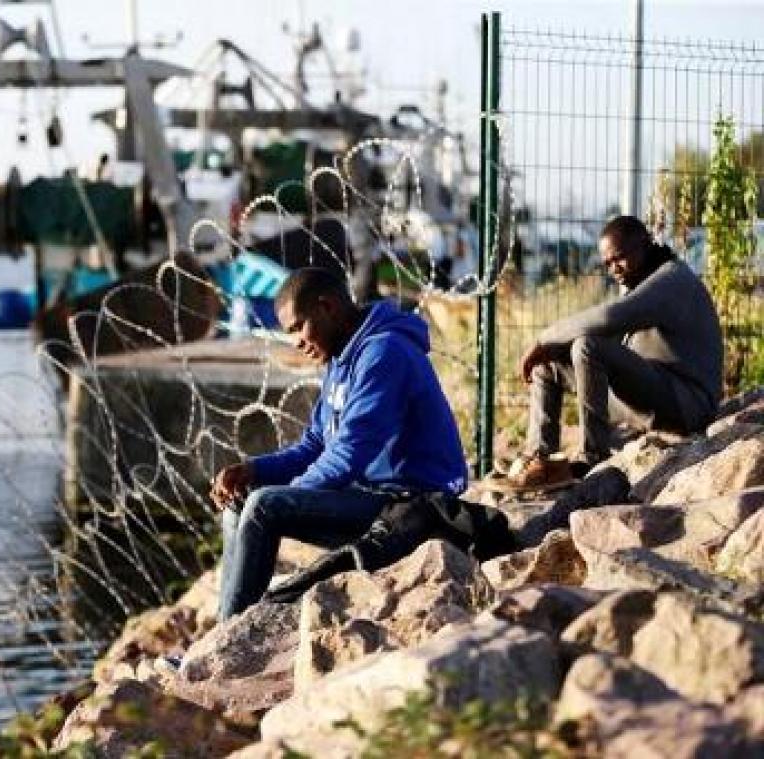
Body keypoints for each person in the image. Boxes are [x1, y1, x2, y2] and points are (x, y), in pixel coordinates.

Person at [209, 267, 470, 620]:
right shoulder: (341, 357)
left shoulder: (383, 353)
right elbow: (316, 444)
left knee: (263, 507)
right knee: (241, 504)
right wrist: (254, 471)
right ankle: (225, 625)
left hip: (412, 507)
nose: (296, 342)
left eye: (298, 327)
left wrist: (286, 496)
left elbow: (349, 454)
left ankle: (227, 639)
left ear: (327, 307)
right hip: (371, 497)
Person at [505, 215, 723, 490]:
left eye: (619, 258)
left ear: (644, 244)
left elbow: (609, 318)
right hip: (648, 398)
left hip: (686, 404)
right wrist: (548, 351)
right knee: (546, 365)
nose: (613, 269)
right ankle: (540, 460)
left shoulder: (672, 281)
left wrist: (543, 338)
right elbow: (607, 333)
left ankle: (592, 460)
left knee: (587, 346)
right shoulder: (640, 284)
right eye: (607, 263)